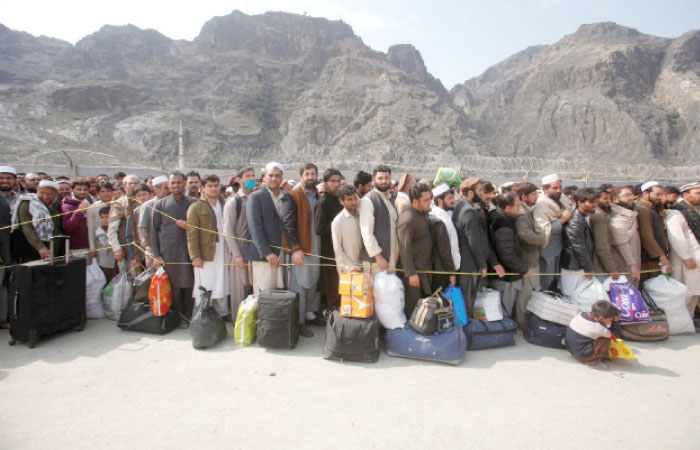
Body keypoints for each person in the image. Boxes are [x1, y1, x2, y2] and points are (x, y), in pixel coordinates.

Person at [245, 162, 299, 298]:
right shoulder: (256, 197)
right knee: (263, 294)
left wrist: (296, 248)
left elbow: (289, 225)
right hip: (263, 255)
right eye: (271, 175)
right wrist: (267, 253)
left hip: (281, 254)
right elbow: (255, 229)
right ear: (265, 177)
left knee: (277, 294)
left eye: (277, 176)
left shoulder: (287, 198)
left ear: (281, 178)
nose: (274, 179)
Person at [150, 172, 197, 324]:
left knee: (189, 284)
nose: (176, 185)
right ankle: (174, 317)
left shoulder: (194, 203)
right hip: (168, 253)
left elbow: (202, 227)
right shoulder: (160, 204)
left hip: (189, 252)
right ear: (168, 185)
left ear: (184, 184)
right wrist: (156, 255)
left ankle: (188, 316)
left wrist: (188, 226)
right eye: (173, 183)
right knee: (172, 287)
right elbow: (153, 231)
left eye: (179, 182)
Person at [284, 163, 322, 333]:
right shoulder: (293, 196)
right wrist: (296, 248)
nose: (310, 177)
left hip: (316, 246)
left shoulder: (319, 196)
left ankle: (310, 315)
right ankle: (298, 323)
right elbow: (288, 224)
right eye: (307, 174)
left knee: (313, 281)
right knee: (299, 283)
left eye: (313, 174)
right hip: (301, 247)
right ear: (301, 177)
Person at [187, 174, 230, 317]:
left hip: (223, 249)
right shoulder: (196, 207)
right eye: (210, 186)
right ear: (203, 188)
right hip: (206, 252)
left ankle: (222, 313)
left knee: (222, 280)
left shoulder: (225, 203)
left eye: (216, 185)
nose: (213, 189)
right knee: (206, 283)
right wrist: (195, 257)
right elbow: (192, 234)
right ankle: (203, 313)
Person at [488, 192, 532, 318]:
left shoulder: (495, 215)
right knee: (504, 309)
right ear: (507, 208)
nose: (520, 209)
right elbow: (507, 255)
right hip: (506, 277)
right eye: (517, 206)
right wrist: (524, 268)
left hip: (503, 274)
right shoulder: (503, 225)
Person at [398, 183, 437, 315]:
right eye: (426, 200)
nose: (429, 202)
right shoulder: (408, 219)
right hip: (414, 273)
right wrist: (411, 273)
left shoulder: (422, 213)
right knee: (413, 306)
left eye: (430, 198)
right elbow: (404, 247)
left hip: (424, 268)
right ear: (415, 201)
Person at [453, 178, 491, 311]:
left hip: (466, 263)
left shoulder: (461, 205)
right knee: (468, 301)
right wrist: (482, 264)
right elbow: (473, 240)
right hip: (469, 265)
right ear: (470, 193)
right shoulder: (468, 211)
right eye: (479, 191)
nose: (481, 193)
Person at [223, 167, 255, 320]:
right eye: (247, 176)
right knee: (239, 291)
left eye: (253, 176)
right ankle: (239, 323)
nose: (251, 179)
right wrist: (236, 255)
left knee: (252, 288)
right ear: (239, 180)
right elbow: (227, 230)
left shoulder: (256, 198)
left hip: (254, 252)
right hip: (240, 252)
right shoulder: (233, 201)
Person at [513, 182, 546, 327]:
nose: (536, 197)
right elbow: (524, 233)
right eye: (533, 195)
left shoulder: (526, 209)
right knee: (525, 292)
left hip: (529, 256)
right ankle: (521, 320)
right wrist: (542, 239)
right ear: (524, 196)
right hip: (527, 258)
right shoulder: (521, 212)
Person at [533, 174, 573, 292]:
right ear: (545, 189)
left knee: (555, 280)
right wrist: (563, 219)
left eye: (560, 187)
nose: (559, 190)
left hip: (559, 247)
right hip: (547, 249)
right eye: (555, 188)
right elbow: (544, 230)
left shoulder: (562, 199)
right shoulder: (541, 205)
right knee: (546, 282)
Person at [666, 182, 700, 317]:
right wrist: (686, 257)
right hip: (686, 261)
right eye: (697, 193)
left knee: (696, 291)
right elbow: (677, 238)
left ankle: (689, 319)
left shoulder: (696, 211)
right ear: (685, 195)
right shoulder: (676, 213)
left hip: (696, 260)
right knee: (687, 292)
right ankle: (682, 320)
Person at [359, 165, 399, 276]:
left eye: (386, 178)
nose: (384, 181)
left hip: (391, 260)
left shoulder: (391, 199)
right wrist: (378, 257)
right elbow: (366, 233)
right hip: (376, 263)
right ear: (373, 180)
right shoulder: (368, 200)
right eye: (380, 178)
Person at [11, 180, 64, 262]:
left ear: (56, 194)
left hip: (53, 247)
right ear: (37, 190)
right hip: (31, 249)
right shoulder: (27, 204)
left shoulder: (57, 205)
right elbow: (27, 229)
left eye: (50, 194)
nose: (45, 197)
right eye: (42, 193)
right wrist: (40, 247)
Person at [314, 168, 344, 311]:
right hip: (329, 251)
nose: (336, 184)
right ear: (325, 183)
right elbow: (319, 229)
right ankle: (333, 316)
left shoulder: (339, 199)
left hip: (341, 250)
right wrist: (338, 226)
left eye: (338, 181)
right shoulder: (323, 202)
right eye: (332, 181)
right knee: (332, 287)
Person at [560, 188, 596, 296]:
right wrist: (589, 268)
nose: (595, 205)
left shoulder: (582, 217)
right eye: (591, 202)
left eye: (595, 201)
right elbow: (578, 247)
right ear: (580, 203)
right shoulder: (576, 220)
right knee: (571, 298)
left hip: (578, 266)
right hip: (573, 267)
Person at [566, 300, 620, 369]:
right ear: (601, 318)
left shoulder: (581, 314)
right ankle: (592, 362)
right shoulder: (599, 328)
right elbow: (615, 335)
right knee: (605, 340)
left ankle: (583, 355)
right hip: (580, 355)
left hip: (570, 349)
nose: (611, 321)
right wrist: (616, 321)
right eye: (610, 320)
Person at [636, 182, 671, 283]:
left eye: (662, 194)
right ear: (646, 194)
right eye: (657, 194)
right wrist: (662, 256)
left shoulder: (652, 208)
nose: (660, 197)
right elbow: (647, 236)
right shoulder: (642, 209)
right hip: (649, 260)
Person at [332, 185, 369, 275]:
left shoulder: (363, 215)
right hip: (350, 271)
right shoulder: (338, 222)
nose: (354, 202)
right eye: (349, 199)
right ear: (341, 201)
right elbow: (338, 249)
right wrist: (350, 267)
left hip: (366, 267)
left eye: (355, 198)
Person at [609, 186, 642, 284]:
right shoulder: (617, 217)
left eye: (631, 194)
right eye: (626, 195)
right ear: (615, 199)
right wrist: (632, 264)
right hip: (624, 263)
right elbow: (621, 243)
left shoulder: (629, 214)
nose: (631, 198)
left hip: (633, 259)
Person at [136, 175, 169, 269]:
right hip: (153, 252)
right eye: (166, 188)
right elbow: (143, 230)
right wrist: (154, 251)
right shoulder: (148, 205)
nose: (169, 190)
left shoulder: (171, 203)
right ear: (156, 190)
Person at [108, 174, 140, 269]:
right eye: (130, 183)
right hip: (127, 247)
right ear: (124, 187)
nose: (133, 186)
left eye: (135, 183)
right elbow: (112, 229)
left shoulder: (143, 199)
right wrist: (116, 248)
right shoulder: (119, 203)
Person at [589, 188, 622, 283]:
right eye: (605, 198)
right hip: (601, 266)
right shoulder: (599, 217)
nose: (609, 201)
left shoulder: (604, 215)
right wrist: (612, 268)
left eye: (609, 198)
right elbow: (602, 246)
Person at [0, 166, 17, 328]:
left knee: (8, 284)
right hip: (1, 249)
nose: (5, 181)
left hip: (12, 248)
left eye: (8, 178)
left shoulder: (17, 198)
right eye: (2, 178)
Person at [430, 183, 460, 271]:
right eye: (450, 198)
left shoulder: (445, 215)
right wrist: (451, 272)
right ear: (440, 201)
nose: (453, 201)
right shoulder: (439, 219)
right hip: (444, 269)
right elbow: (444, 249)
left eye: (453, 198)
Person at [61, 177, 91, 256]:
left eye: (85, 189)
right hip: (76, 249)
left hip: (89, 246)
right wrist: (80, 212)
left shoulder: (88, 203)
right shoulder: (67, 206)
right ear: (72, 190)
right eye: (79, 189)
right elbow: (67, 227)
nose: (82, 192)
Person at [87, 181, 114, 264]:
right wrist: (92, 248)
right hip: (101, 243)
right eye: (102, 191)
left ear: (112, 192)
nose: (106, 194)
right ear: (98, 193)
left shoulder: (118, 205)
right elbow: (91, 228)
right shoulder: (92, 208)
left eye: (108, 191)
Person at [94, 206, 117, 282]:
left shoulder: (116, 227)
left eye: (107, 217)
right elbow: (107, 244)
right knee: (107, 280)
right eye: (102, 217)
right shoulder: (100, 231)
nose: (105, 220)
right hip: (106, 261)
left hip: (117, 260)